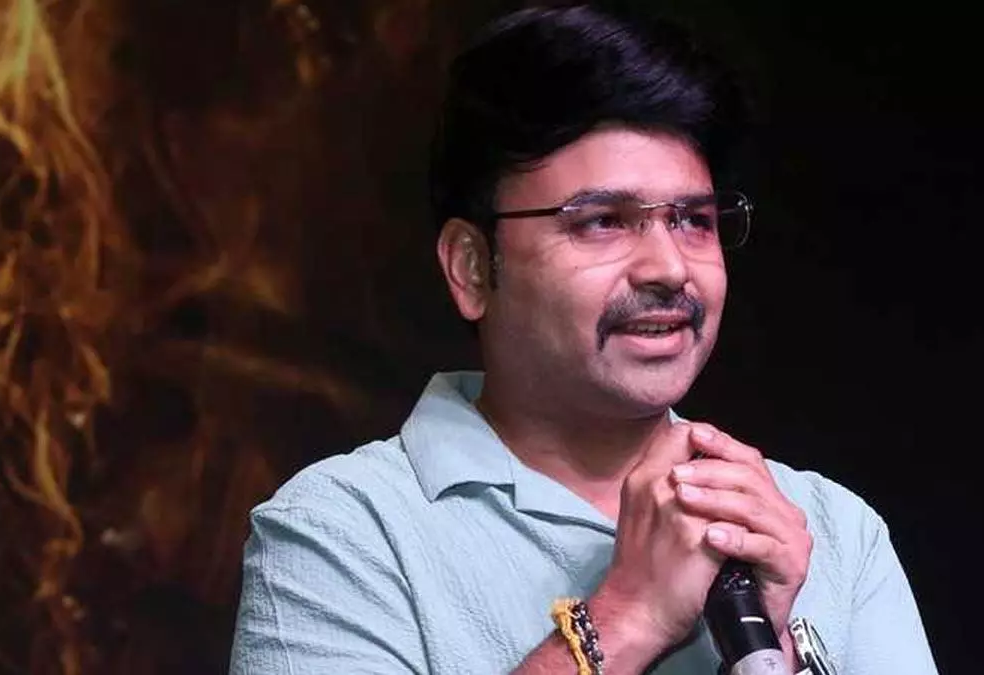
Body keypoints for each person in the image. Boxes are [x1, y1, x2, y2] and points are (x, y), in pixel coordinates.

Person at [229, 5, 939, 674]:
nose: (668, 268)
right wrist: (629, 616)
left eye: (693, 220)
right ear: (472, 267)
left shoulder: (828, 527)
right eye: (602, 221)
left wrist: (770, 650)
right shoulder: (342, 532)